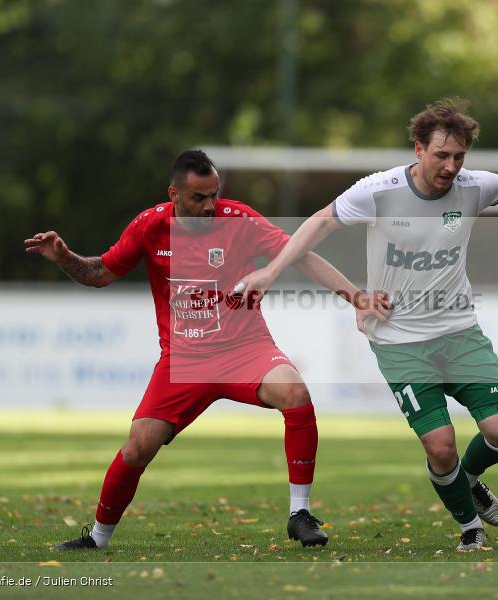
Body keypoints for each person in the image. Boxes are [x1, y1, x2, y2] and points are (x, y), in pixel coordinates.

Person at [237, 99, 498, 551]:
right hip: (399, 340)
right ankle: (470, 529)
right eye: (441, 155)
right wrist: (271, 272)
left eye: (459, 156)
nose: (451, 166)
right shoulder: (378, 191)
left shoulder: (474, 186)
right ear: (419, 149)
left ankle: (469, 480)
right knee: (440, 446)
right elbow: (319, 224)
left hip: (459, 331)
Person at [25, 149, 388, 550]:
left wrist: (356, 297)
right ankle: (97, 538)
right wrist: (64, 258)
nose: (209, 205)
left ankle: (299, 514)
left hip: (245, 349)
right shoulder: (149, 226)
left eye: (214, 195)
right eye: (199, 197)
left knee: (296, 393)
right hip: (184, 361)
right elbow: (101, 274)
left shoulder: (239, 220)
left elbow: (301, 256)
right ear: (174, 195)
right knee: (138, 447)